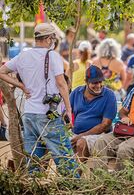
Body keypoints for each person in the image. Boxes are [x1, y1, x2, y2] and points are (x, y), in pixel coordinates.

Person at [0, 23, 77, 174]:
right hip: (47, 114)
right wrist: (68, 109)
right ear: (49, 39)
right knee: (64, 156)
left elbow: (1, 71)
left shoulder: (23, 55)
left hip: (29, 113)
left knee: (34, 159)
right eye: (53, 39)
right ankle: (76, 187)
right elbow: (61, 84)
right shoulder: (53, 55)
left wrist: (21, 85)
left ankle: (33, 187)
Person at [70, 65, 117, 162]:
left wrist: (81, 136)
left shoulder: (109, 95)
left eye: (100, 82)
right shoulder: (76, 92)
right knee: (54, 141)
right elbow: (66, 116)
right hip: (75, 133)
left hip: (99, 135)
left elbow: (105, 125)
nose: (98, 85)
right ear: (86, 82)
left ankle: (76, 176)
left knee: (81, 143)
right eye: (94, 83)